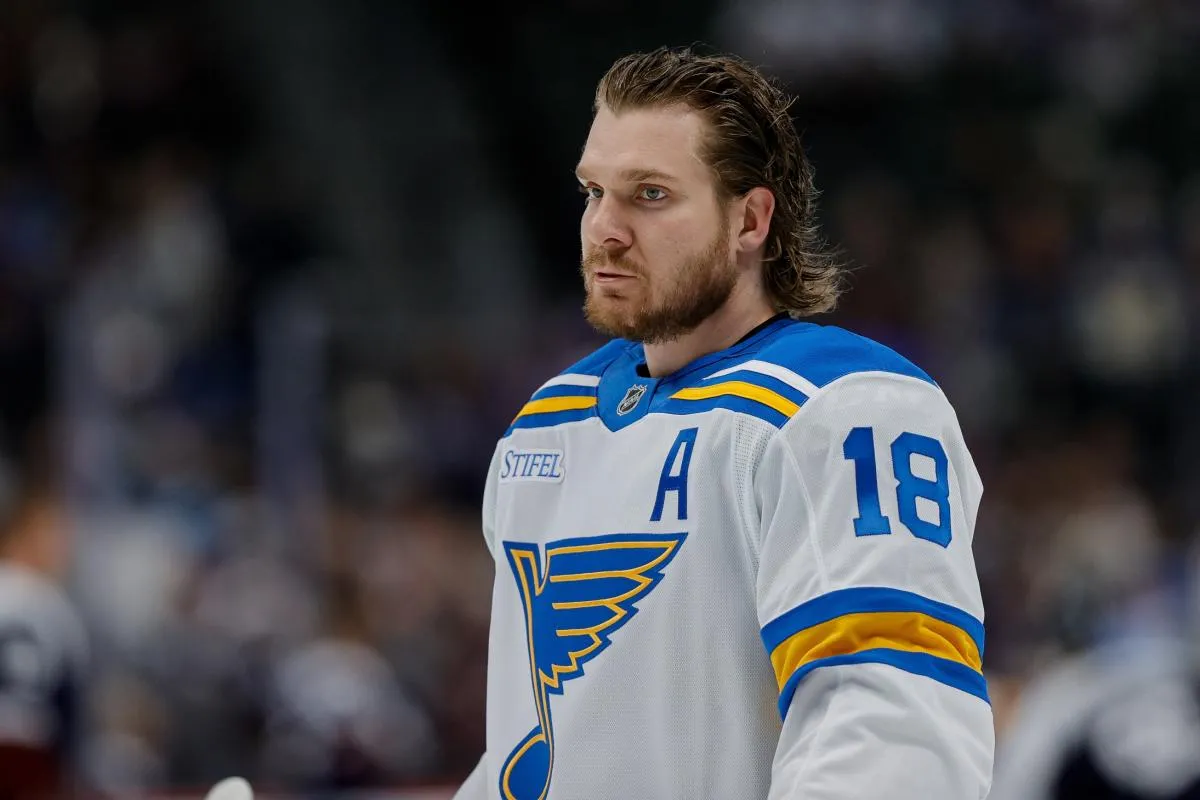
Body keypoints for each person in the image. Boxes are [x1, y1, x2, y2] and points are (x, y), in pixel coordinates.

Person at [454, 46, 993, 799]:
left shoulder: (847, 407)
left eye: (649, 195)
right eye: (593, 192)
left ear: (750, 219)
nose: (604, 228)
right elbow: (536, 746)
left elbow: (890, 731)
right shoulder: (544, 428)